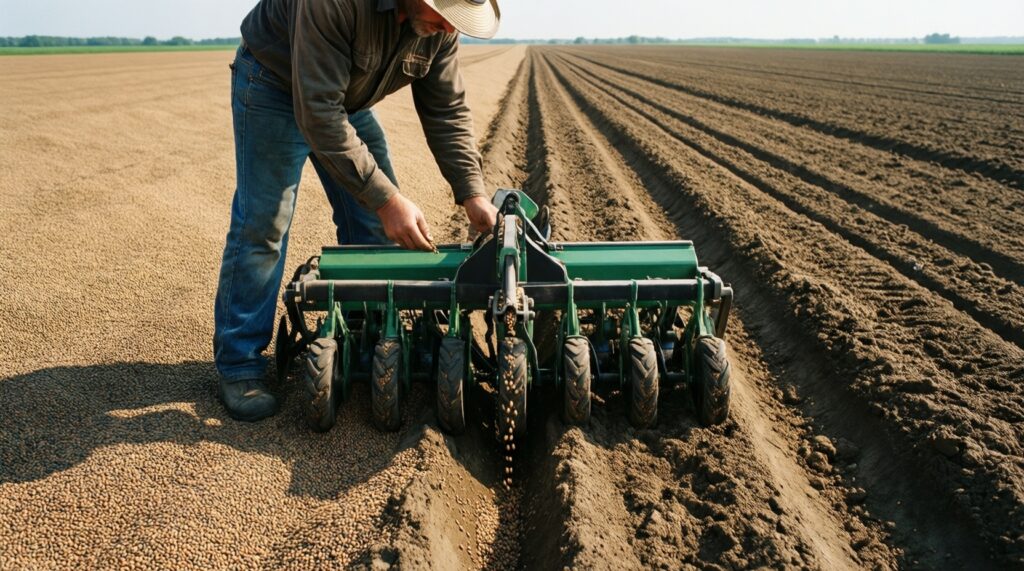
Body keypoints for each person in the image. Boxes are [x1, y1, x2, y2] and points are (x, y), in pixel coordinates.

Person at [213, 0, 502, 421]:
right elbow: (317, 111)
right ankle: (239, 365)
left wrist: (472, 195)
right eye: (444, 12)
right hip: (275, 86)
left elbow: (446, 110)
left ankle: (357, 338)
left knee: (372, 226)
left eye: (456, 20)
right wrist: (387, 200)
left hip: (343, 99)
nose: (446, 26)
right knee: (264, 226)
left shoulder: (440, 28)